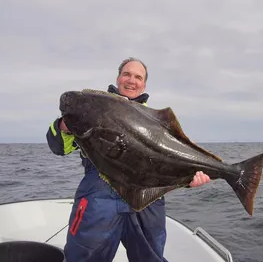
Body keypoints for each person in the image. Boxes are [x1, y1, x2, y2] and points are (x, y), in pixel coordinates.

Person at [46, 57, 211, 262]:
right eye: (127, 74)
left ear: (144, 84)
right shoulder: (94, 109)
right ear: (118, 78)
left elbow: (168, 163)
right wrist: (64, 126)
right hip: (99, 201)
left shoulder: (156, 122)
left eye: (138, 77)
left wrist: (189, 180)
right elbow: (58, 147)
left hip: (147, 201)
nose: (131, 80)